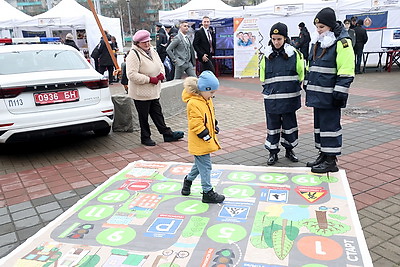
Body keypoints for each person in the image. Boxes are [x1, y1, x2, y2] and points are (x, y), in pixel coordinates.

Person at [305, 7, 355, 173]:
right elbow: (312, 65)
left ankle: (331, 161)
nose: (318, 30)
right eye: (317, 27)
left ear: (331, 27)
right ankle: (323, 154)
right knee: (320, 127)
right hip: (318, 94)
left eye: (322, 27)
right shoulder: (320, 41)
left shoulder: (342, 43)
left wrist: (340, 92)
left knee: (330, 127)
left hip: (331, 95)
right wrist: (307, 83)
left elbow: (346, 69)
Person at [126, 30, 184, 146]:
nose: (147, 44)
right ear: (137, 43)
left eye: (148, 41)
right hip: (141, 93)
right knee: (143, 117)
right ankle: (145, 137)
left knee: (157, 113)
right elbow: (131, 75)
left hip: (153, 90)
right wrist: (149, 79)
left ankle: (166, 134)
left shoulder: (152, 51)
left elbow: (160, 64)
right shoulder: (133, 54)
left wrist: (161, 73)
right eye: (144, 43)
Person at [259, 22, 304, 166]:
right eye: (273, 39)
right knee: (272, 127)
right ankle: (273, 152)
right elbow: (262, 78)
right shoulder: (266, 56)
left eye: (279, 39)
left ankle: (289, 150)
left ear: (285, 38)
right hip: (272, 99)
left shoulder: (294, 54)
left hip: (289, 99)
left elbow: (302, 74)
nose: (276, 42)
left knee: (290, 126)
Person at [181, 70, 225, 204]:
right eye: (211, 92)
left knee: (199, 164)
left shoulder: (206, 99)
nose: (212, 95)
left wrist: (214, 125)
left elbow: (209, 115)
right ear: (203, 89)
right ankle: (207, 192)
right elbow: (195, 123)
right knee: (205, 166)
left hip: (205, 138)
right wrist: (205, 135)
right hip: (200, 140)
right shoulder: (193, 103)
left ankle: (187, 181)